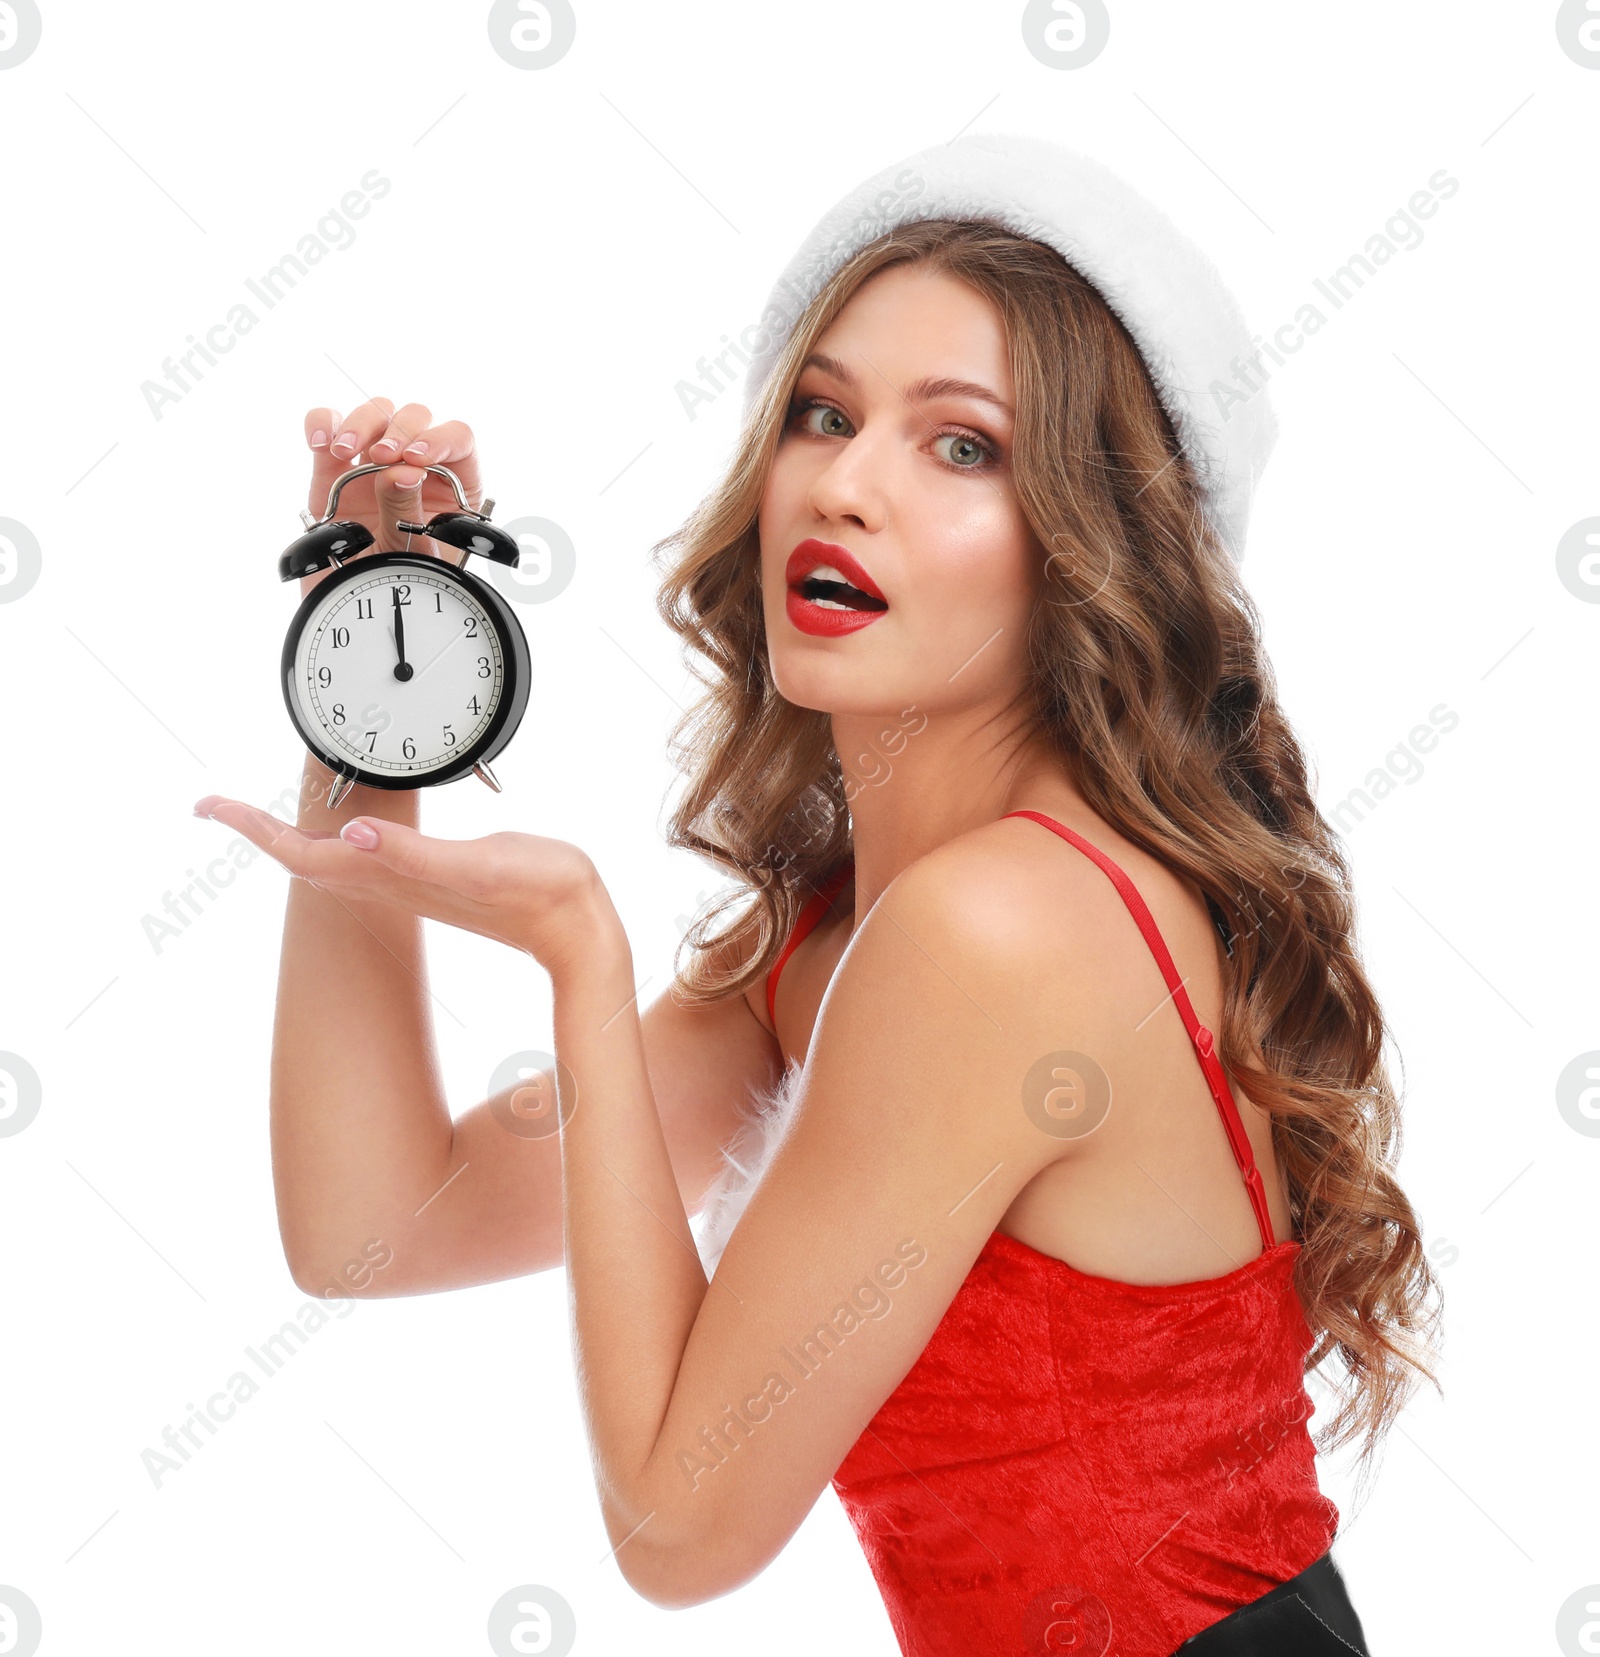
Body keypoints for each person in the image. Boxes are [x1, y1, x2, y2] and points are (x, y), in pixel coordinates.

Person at [195, 135, 1441, 1655]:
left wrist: (584, 956)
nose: (846, 484)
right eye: (822, 414)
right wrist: (374, 662)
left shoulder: (998, 933)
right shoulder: (852, 924)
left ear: (1090, 547)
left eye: (962, 444)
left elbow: (677, 1520)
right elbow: (374, 1223)